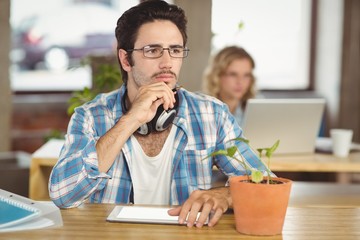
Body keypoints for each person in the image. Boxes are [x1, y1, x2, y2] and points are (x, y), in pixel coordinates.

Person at [49, 0, 269, 228]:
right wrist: (130, 120)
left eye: (175, 50)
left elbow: (264, 183)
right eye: (152, 50)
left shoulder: (211, 114)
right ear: (126, 59)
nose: (167, 63)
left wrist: (225, 196)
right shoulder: (91, 116)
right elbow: (64, 194)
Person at [203, 46, 257, 126]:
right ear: (217, 75)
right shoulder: (197, 106)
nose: (240, 81)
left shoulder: (258, 110)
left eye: (246, 75)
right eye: (233, 74)